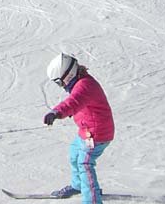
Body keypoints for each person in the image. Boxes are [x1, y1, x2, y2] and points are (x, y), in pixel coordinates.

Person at [43, 53, 114, 202]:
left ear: (67, 76)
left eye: (59, 82)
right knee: (75, 153)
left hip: (97, 134)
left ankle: (92, 200)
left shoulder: (85, 86)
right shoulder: (81, 82)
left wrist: (56, 112)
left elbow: (73, 102)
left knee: (85, 164)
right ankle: (80, 186)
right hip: (86, 132)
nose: (61, 87)